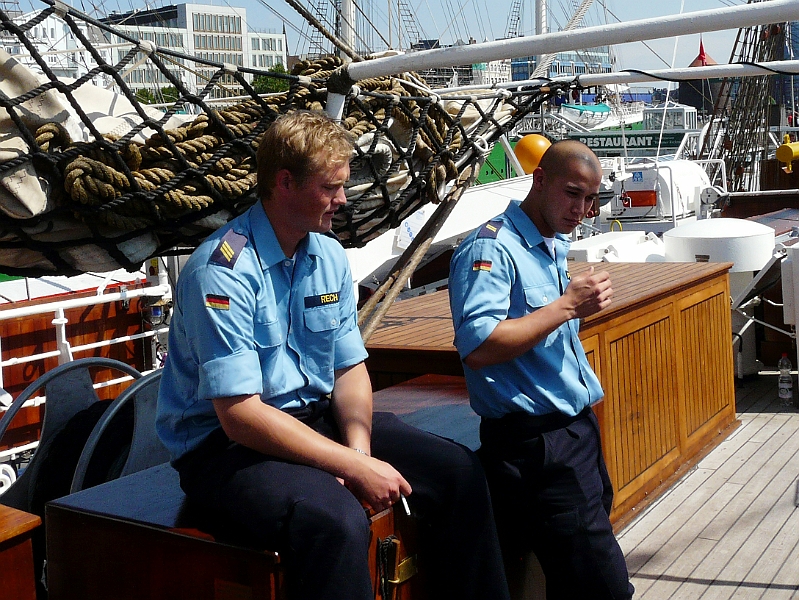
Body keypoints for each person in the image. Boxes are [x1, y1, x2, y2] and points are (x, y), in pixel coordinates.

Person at [156, 110, 510, 600]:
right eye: (330, 187)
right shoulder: (222, 272)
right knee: (337, 522)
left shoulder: (329, 256)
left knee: (459, 473)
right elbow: (239, 416)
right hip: (225, 450)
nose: (342, 201)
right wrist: (351, 467)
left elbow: (349, 369)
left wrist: (358, 452)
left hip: (314, 418)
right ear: (285, 183)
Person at [449, 139, 634, 599]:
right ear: (540, 179)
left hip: (575, 435)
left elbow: (540, 329)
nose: (582, 209)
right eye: (573, 194)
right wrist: (568, 306)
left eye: (591, 198)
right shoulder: (490, 248)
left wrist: (577, 309)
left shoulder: (550, 242)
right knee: (603, 587)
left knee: (576, 578)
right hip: (537, 448)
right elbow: (479, 345)